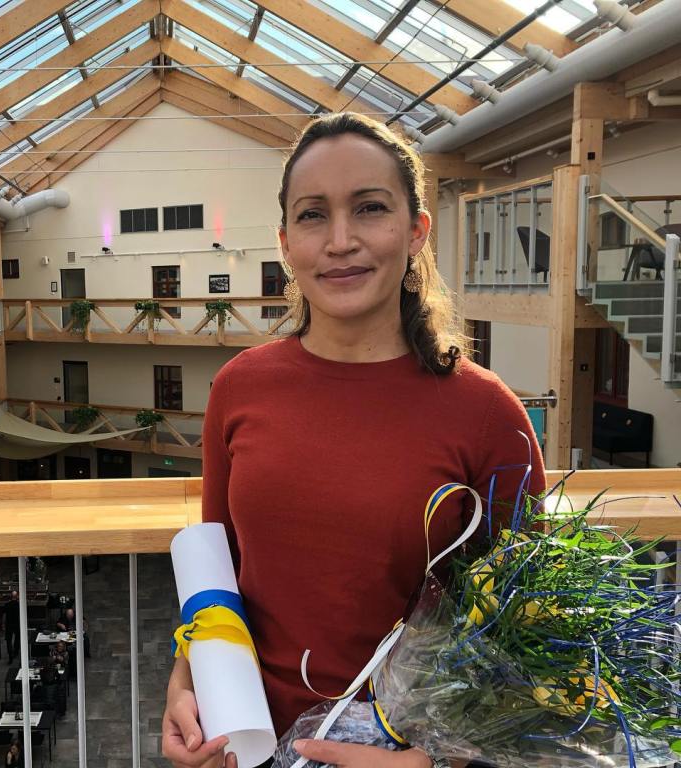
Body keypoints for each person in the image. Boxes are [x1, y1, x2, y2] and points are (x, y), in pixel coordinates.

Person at [161, 112, 547, 768]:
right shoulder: (239, 388)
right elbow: (220, 573)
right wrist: (186, 682)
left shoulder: (486, 414)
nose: (340, 241)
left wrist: (434, 762)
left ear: (416, 230)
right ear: (286, 242)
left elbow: (528, 627)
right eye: (313, 215)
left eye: (370, 208)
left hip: (404, 750)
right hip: (248, 745)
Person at [3, 590, 20, 662]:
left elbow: (4, 615)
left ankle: (10, 655)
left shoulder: (7, 604)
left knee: (8, 640)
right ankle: (16, 652)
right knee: (17, 638)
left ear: (11, 596)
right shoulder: (19, 605)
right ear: (17, 596)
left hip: (9, 624)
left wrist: (3, 624)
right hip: (17, 624)